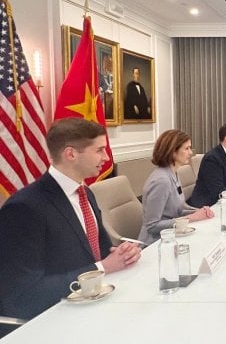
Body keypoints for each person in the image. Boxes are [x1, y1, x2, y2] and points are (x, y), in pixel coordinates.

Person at [0, 118, 142, 320]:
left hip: (96, 303)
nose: (107, 158)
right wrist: (102, 267)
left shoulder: (86, 193)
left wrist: (120, 254)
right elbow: (22, 295)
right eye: (99, 150)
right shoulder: (25, 208)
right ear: (71, 154)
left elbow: (99, 253)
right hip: (54, 316)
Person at [138, 129, 213, 245]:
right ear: (173, 151)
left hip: (174, 235)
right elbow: (152, 226)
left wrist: (199, 212)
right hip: (155, 243)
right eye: (186, 148)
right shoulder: (161, 181)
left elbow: (179, 209)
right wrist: (192, 218)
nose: (190, 152)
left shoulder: (173, 173)